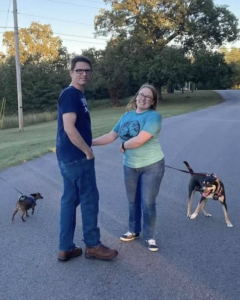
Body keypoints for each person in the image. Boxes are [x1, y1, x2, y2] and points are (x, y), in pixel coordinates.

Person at [56, 55, 118, 261]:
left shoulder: (77, 95)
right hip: (77, 157)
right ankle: (93, 245)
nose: (84, 73)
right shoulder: (71, 95)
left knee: (69, 200)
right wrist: (88, 151)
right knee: (90, 200)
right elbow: (69, 127)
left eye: (87, 71)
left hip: (68, 157)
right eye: (79, 70)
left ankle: (66, 248)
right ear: (71, 72)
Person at [92, 84, 165, 252]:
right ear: (136, 96)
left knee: (148, 203)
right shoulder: (126, 116)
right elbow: (111, 136)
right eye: (141, 95)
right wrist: (89, 142)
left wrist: (124, 144)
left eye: (148, 97)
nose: (144, 99)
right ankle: (133, 230)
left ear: (153, 101)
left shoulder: (154, 117)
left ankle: (150, 236)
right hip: (130, 166)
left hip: (152, 166)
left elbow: (140, 139)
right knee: (132, 201)